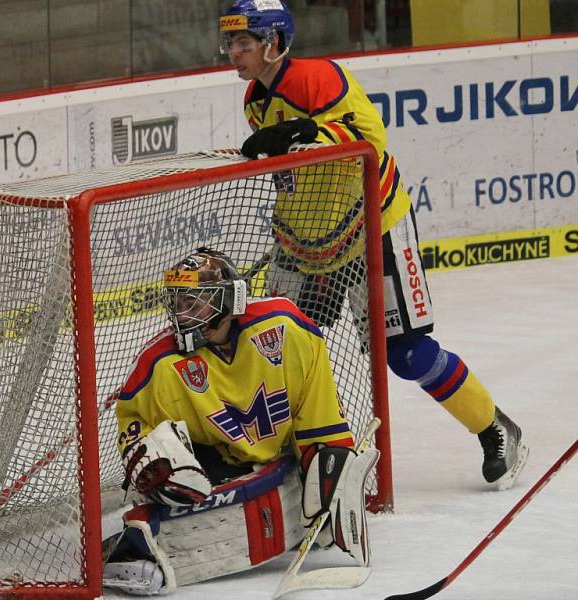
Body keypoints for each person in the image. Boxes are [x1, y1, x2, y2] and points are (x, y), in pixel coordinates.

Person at [218, 0, 528, 490]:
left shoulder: (319, 78)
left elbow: (370, 141)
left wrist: (307, 130)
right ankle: (296, 454)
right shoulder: (255, 99)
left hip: (372, 229)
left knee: (406, 354)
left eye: (243, 43)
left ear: (273, 42)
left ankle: (495, 428)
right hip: (305, 243)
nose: (233, 53)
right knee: (279, 347)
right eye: (230, 43)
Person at [102, 247, 378, 595]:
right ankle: (132, 548)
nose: (182, 313)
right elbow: (134, 424)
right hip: (215, 465)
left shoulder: (285, 329)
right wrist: (149, 459)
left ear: (228, 302)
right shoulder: (159, 366)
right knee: (178, 482)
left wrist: (329, 467)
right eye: (177, 302)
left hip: (279, 460)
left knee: (327, 472)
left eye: (195, 302)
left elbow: (318, 415)